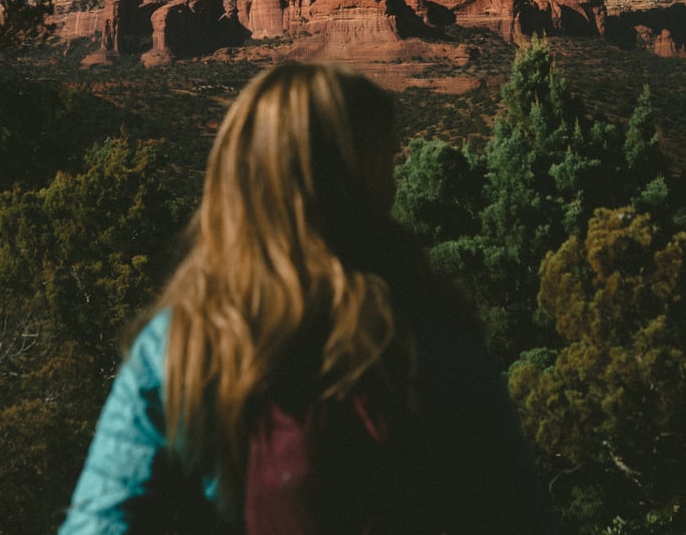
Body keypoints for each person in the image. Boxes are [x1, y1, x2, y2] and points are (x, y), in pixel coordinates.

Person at [59, 61, 558, 533]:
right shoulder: (434, 334)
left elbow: (102, 519)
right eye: (383, 161)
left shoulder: (184, 342)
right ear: (356, 185)